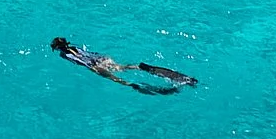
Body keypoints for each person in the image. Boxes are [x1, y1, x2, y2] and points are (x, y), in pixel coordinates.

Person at [51, 37, 197, 94]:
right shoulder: (75, 46)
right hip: (102, 59)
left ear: (58, 47)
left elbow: (80, 61)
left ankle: (136, 86)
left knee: (120, 81)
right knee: (123, 67)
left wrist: (93, 68)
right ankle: (140, 67)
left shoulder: (64, 54)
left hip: (93, 65)